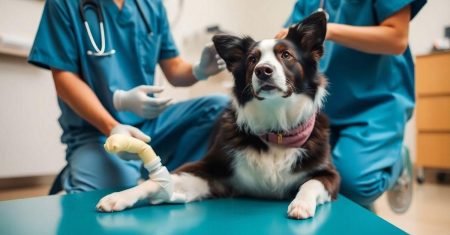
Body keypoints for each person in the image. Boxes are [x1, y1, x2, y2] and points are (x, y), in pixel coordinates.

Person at [28, 0, 229, 194]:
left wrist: (200, 70)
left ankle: (168, 180)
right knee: (110, 192)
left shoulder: (152, 5)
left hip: (151, 128)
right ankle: (81, 170)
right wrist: (112, 128)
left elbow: (174, 69)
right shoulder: (63, 4)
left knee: (220, 107)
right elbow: (64, 78)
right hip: (98, 134)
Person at [276, 0, 426, 212]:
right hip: (324, 107)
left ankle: (397, 162)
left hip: (377, 101)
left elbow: (396, 38)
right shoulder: (309, 3)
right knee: (304, 179)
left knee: (355, 186)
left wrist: (328, 30)